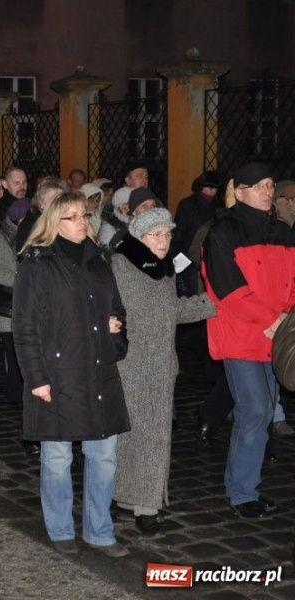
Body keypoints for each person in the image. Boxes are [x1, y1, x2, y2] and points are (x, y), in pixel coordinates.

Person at [13, 190, 130, 557]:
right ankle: (61, 528)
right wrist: (37, 379)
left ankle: (99, 530)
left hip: (98, 371)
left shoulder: (99, 261)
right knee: (59, 456)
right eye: (73, 216)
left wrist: (116, 331)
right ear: (54, 222)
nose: (83, 221)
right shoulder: (37, 264)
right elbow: (25, 327)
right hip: (59, 373)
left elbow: (117, 311)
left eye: (85, 215)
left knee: (103, 455)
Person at [110, 208, 215, 538]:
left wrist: (210, 303)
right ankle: (125, 496)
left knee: (154, 439)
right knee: (127, 436)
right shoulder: (119, 265)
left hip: (159, 366)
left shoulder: (165, 271)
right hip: (129, 363)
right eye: (156, 234)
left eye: (168, 234)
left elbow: (171, 313)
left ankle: (146, 507)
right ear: (139, 236)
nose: (163, 241)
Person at [201, 162, 295, 519]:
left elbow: (292, 282)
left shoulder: (283, 231)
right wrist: (272, 319)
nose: (267, 191)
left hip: (276, 336)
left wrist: (284, 318)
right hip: (241, 336)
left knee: (264, 410)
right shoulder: (223, 232)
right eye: (259, 186)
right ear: (239, 192)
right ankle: (242, 492)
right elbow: (227, 288)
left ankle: (245, 486)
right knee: (254, 410)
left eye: (270, 185)